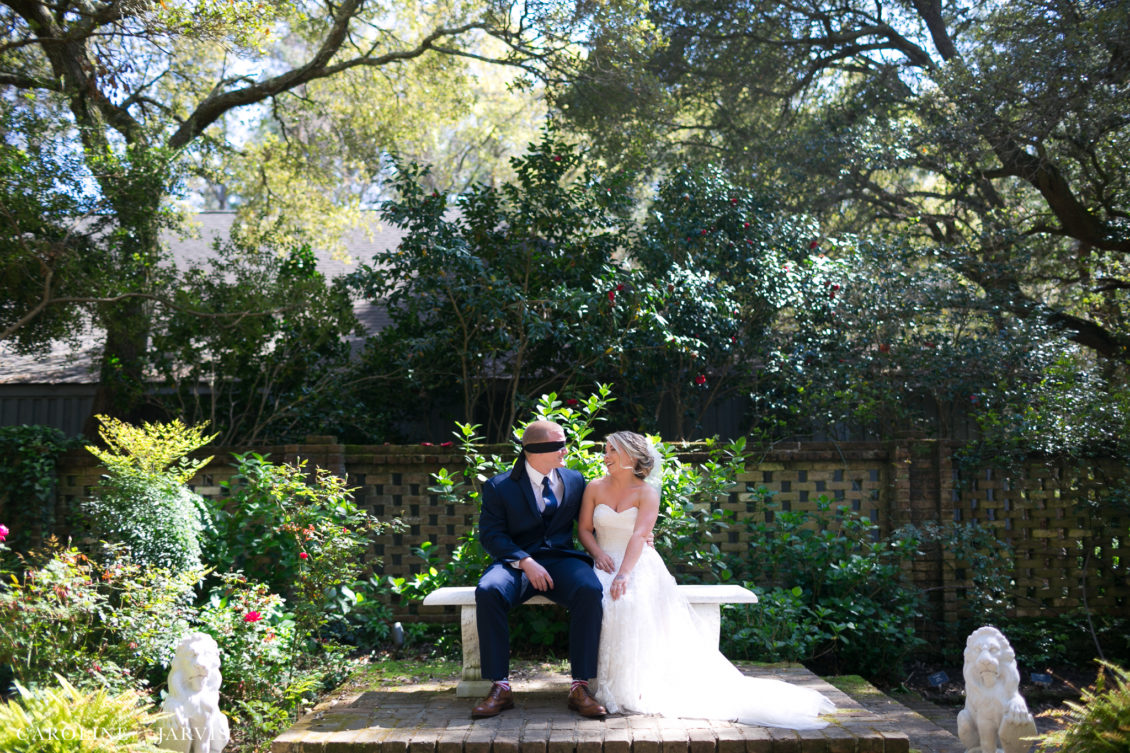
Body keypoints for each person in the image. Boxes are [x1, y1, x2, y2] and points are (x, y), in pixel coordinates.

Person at [577, 430, 836, 729]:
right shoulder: (594, 487)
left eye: (612, 450)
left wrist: (624, 574)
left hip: (637, 563)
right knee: (597, 601)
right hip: (603, 561)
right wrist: (597, 554)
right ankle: (598, 684)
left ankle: (632, 685)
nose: (605, 456)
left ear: (631, 456)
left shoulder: (647, 492)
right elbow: (584, 529)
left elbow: (639, 535)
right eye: (605, 449)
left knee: (628, 601)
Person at [471, 419, 608, 719]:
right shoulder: (499, 486)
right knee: (488, 590)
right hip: (516, 564)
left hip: (561, 560)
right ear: (534, 450)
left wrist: (641, 530)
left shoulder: (574, 480)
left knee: (589, 589)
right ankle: (500, 686)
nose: (565, 450)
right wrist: (524, 561)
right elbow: (491, 535)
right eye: (559, 445)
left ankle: (580, 687)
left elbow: (592, 522)